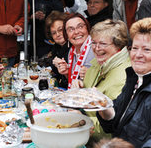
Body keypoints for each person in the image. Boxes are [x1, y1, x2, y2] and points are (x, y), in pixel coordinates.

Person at [72, 19, 131, 145]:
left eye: (103, 44)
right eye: (93, 43)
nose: (97, 48)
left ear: (118, 45)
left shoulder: (124, 77)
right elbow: (91, 96)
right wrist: (80, 89)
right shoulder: (100, 63)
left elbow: (110, 128)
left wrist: (81, 118)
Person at [97, 17, 151, 148]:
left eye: (146, 50)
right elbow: (115, 125)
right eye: (134, 48)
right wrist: (104, 108)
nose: (138, 54)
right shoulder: (135, 79)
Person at [53, 13, 94, 89]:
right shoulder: (71, 52)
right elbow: (75, 83)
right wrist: (67, 73)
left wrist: (92, 74)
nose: (76, 32)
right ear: (67, 36)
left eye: (80, 27)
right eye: (71, 29)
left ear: (87, 29)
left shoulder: (96, 48)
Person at [45, 11, 69, 88]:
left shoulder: (74, 47)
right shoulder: (56, 48)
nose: (58, 34)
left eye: (60, 30)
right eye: (54, 33)